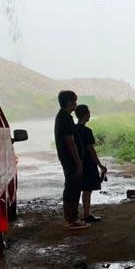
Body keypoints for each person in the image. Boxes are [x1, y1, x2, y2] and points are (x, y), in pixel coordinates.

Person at [54, 90, 88, 229]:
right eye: (75, 101)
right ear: (69, 103)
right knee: (73, 187)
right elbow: (70, 141)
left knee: (71, 186)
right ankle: (72, 219)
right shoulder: (66, 118)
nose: (76, 104)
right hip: (70, 159)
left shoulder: (62, 116)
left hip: (67, 158)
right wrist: (78, 161)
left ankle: (70, 217)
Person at [75, 104, 107, 223]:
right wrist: (99, 164)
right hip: (88, 163)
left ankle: (77, 214)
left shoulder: (73, 129)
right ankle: (86, 215)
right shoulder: (87, 131)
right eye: (88, 112)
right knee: (87, 190)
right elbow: (91, 150)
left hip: (76, 161)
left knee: (79, 189)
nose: (90, 114)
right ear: (84, 115)